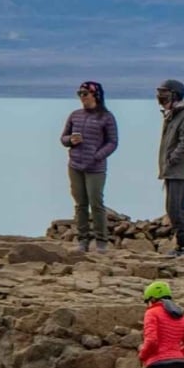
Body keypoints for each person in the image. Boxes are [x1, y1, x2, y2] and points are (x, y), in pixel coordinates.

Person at [60, 81, 119, 252]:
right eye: (80, 94)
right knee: (80, 204)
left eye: (85, 94)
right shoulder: (75, 115)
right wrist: (70, 140)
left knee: (96, 203)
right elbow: (63, 138)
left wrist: (97, 156)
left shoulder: (106, 117)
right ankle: (83, 240)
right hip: (75, 165)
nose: (82, 97)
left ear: (95, 95)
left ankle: (101, 241)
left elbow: (113, 142)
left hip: (95, 168)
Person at [157, 79, 184, 257]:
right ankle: (180, 245)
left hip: (179, 170)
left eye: (164, 93)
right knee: (171, 208)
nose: (160, 97)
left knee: (176, 208)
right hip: (170, 169)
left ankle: (182, 246)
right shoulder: (171, 114)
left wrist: (173, 159)